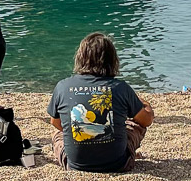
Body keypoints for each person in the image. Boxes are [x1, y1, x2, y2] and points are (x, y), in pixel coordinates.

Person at [46, 32, 154, 172]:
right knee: (134, 125)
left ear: (80, 58)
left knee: (58, 134)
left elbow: (55, 122)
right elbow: (146, 120)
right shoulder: (120, 87)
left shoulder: (62, 86)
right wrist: (144, 103)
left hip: (74, 165)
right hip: (118, 164)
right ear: (112, 60)